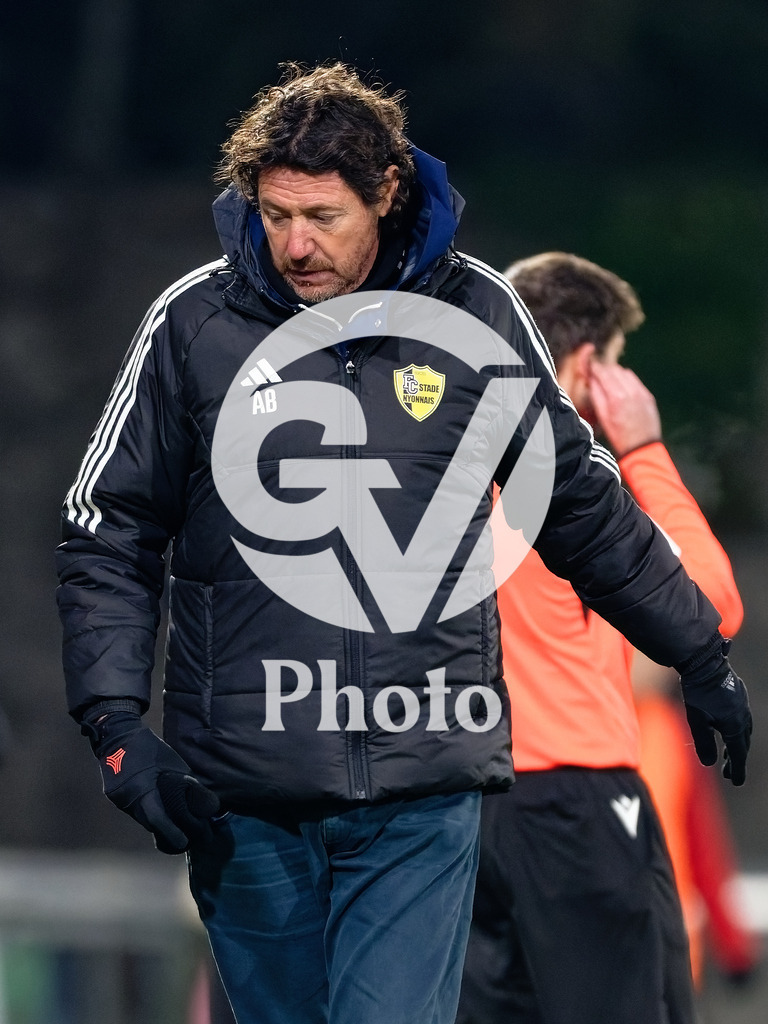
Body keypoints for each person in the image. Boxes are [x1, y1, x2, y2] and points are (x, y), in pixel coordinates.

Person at [55, 67, 751, 1024]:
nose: (294, 244)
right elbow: (108, 529)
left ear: (386, 192)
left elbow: (579, 500)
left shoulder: (476, 317)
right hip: (243, 795)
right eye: (274, 213)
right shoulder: (194, 324)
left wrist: (697, 653)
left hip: (422, 781)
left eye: (324, 215)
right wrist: (116, 725)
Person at [457, 251, 749, 1024]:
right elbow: (709, 607)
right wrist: (645, 451)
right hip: (574, 798)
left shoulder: (433, 467)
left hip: (449, 804)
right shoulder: (576, 482)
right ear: (587, 366)